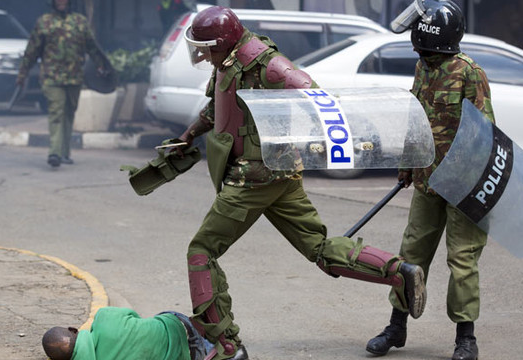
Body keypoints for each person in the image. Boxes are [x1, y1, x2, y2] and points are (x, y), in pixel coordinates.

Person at [176, 6, 428, 360]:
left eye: (207, 48)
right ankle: (398, 272)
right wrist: (187, 136)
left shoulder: (269, 65)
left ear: (226, 42)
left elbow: (316, 98)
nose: (203, 56)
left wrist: (320, 143)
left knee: (201, 252)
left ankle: (226, 345)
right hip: (279, 176)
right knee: (319, 248)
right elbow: (217, 107)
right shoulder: (229, 62)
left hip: (253, 179)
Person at [365, 1, 495, 360]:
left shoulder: (469, 72)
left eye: (425, 49)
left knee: (462, 261)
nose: (421, 54)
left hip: (464, 186)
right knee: (411, 254)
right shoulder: (423, 67)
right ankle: (397, 326)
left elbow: (485, 133)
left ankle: (466, 338)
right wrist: (407, 164)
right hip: (427, 181)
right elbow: (416, 117)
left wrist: (472, 181)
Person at [16, 0, 108, 168]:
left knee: (69, 112)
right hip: (51, 77)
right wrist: (23, 74)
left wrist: (102, 65)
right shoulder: (44, 22)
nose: (61, 2)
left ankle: (65, 153)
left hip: (74, 77)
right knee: (56, 112)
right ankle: (54, 153)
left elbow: (92, 47)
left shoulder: (80, 22)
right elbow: (32, 50)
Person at [42, 306, 212, 360]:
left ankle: (212, 350)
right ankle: (211, 336)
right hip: (178, 328)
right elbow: (134, 315)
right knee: (162, 316)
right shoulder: (104, 317)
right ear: (73, 330)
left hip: (187, 356)